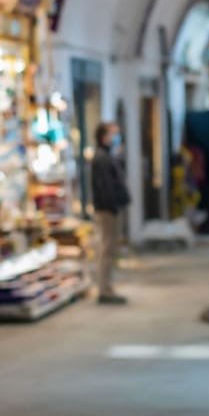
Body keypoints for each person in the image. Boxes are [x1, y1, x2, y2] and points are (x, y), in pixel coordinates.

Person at [91, 122, 130, 305]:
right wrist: (113, 206)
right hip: (107, 210)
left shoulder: (106, 156)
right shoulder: (101, 158)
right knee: (107, 249)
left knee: (109, 249)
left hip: (110, 208)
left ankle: (107, 287)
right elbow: (105, 187)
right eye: (112, 133)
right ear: (103, 136)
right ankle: (104, 290)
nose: (115, 137)